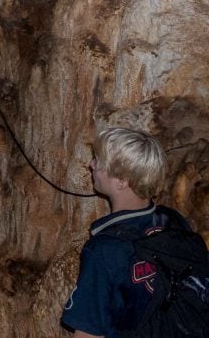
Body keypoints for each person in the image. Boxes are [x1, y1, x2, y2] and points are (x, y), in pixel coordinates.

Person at [61, 126, 182, 337]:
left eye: (98, 161)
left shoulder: (104, 250)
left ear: (121, 181)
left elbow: (88, 332)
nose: (91, 165)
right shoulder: (174, 221)